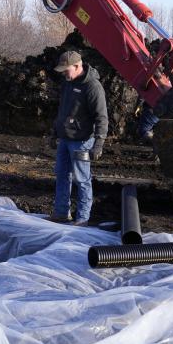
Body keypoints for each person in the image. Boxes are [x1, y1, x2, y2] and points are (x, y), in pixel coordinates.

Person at [48, 50, 108, 226]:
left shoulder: (92, 87)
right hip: (65, 139)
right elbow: (63, 110)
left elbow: (102, 117)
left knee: (82, 179)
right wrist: (54, 132)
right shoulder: (67, 82)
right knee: (61, 175)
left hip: (81, 142)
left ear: (77, 66)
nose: (64, 73)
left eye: (66, 69)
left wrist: (99, 144)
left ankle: (82, 218)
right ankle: (60, 213)